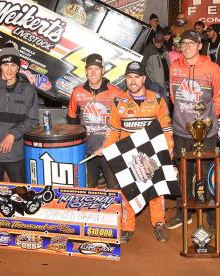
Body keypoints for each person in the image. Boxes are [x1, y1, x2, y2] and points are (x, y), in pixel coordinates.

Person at [103, 61, 174, 243]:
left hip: (152, 155)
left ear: (143, 78)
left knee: (156, 191)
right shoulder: (119, 101)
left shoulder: (157, 99)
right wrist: (106, 149)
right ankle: (127, 227)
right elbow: (113, 131)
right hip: (128, 156)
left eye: (136, 76)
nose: (132, 81)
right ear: (125, 79)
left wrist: (168, 153)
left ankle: (159, 223)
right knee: (128, 191)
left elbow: (166, 128)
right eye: (129, 77)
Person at [166, 30, 220, 231]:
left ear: (200, 45)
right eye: (184, 43)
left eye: (192, 43)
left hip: (206, 133)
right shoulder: (174, 67)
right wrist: (185, 117)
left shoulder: (213, 68)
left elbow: (219, 99)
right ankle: (184, 212)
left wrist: (206, 124)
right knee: (184, 174)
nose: (187, 47)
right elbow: (174, 97)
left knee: (206, 173)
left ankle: (210, 214)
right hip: (181, 130)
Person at [0, 44, 39, 199]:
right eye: (5, 65)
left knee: (21, 196)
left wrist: (12, 135)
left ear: (18, 67)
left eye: (13, 65)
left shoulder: (28, 90)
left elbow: (33, 119)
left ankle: (21, 222)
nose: (9, 69)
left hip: (17, 153)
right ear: (0, 66)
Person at [67, 53, 123, 188]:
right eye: (90, 68)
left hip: (110, 150)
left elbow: (123, 122)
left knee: (114, 190)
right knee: (88, 190)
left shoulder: (117, 93)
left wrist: (112, 144)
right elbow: (72, 121)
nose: (93, 72)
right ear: (85, 71)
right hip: (87, 152)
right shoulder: (77, 92)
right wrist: (79, 146)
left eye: (97, 69)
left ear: (103, 71)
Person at [141, 31, 171, 104]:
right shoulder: (148, 50)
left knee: (165, 104)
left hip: (165, 82)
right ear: (153, 40)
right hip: (154, 84)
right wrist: (150, 81)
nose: (159, 44)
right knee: (155, 104)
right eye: (157, 42)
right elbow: (142, 67)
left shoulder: (164, 48)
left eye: (161, 42)